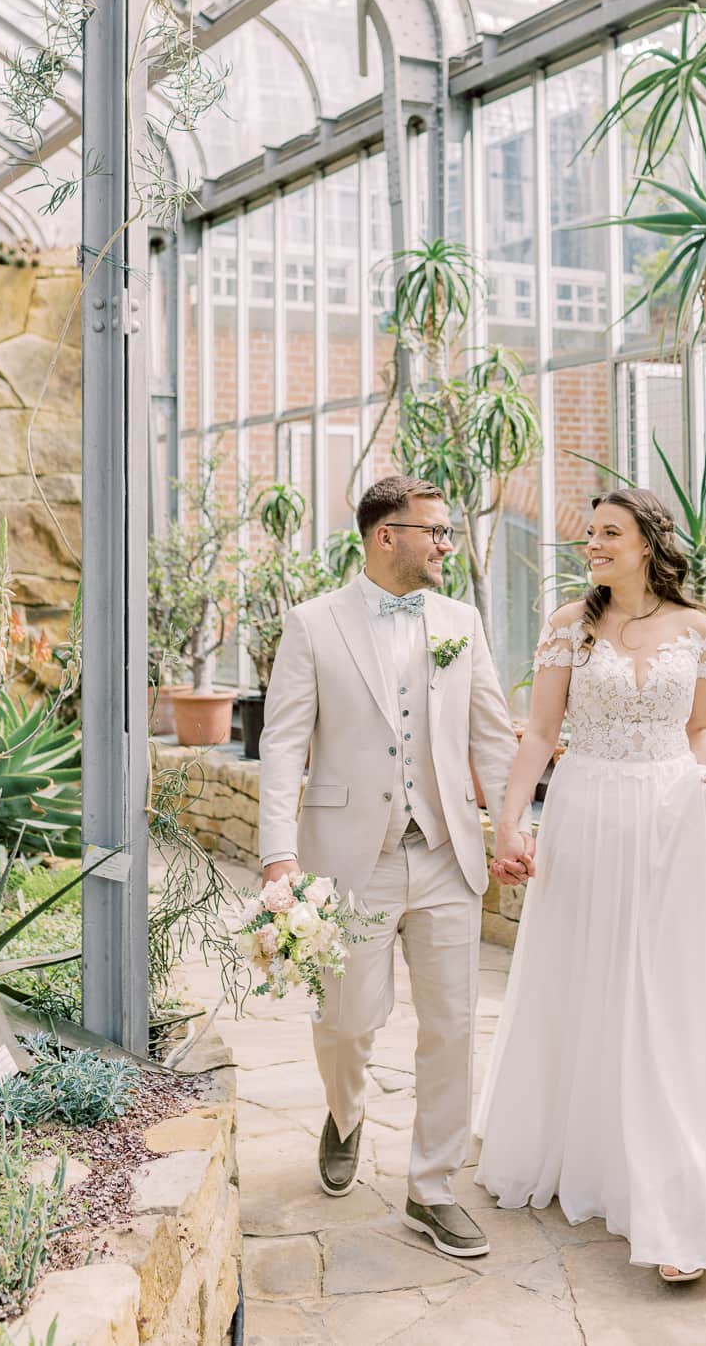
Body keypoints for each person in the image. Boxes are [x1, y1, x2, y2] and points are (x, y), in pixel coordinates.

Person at [475, 487, 706, 1283]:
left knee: (670, 996)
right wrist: (509, 822)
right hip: (587, 816)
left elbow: (700, 728)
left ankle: (680, 1194)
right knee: (591, 982)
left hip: (671, 821)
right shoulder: (567, 628)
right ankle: (597, 1153)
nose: (594, 544)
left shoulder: (697, 627)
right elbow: (542, 733)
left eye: (610, 533)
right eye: (591, 534)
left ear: (648, 541)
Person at [258, 474, 527, 1260]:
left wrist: (510, 823)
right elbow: (280, 745)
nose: (448, 544)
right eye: (435, 531)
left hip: (445, 851)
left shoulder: (460, 620)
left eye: (448, 531)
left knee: (450, 1027)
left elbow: (489, 734)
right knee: (347, 1020)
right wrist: (279, 857)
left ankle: (433, 1187)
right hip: (350, 858)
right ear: (386, 536)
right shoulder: (312, 624)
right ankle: (345, 1112)